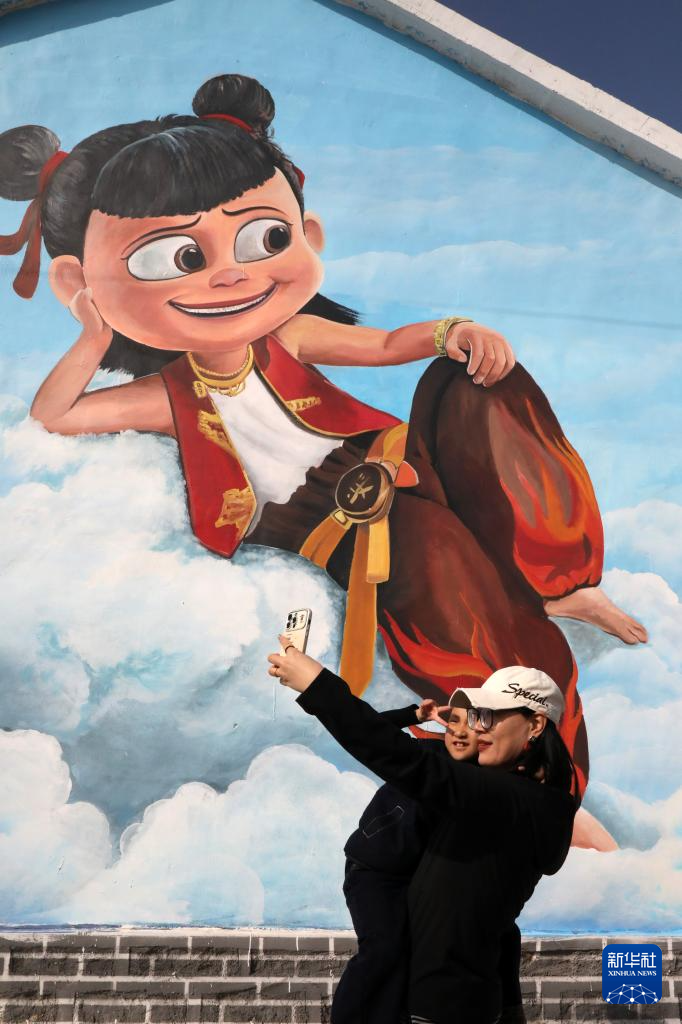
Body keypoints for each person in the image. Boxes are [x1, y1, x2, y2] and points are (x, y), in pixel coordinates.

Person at [0, 73, 645, 806]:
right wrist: (92, 334)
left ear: (307, 237)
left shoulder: (291, 336)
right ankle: (528, 771)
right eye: (175, 257)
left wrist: (452, 332)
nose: (228, 275)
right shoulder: (168, 397)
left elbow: (385, 346)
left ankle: (563, 582)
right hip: (331, 520)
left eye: (264, 238)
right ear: (81, 283)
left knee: (475, 383)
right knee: (434, 550)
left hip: (392, 462)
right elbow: (56, 414)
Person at [268, 642, 579, 1024]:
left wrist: (317, 686)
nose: (479, 728)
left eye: (492, 716)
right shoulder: (519, 798)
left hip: (440, 1008)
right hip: (447, 1000)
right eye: (478, 716)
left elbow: (405, 760)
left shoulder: (519, 801)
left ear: (535, 725)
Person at [335, 696, 526, 1024]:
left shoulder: (484, 781)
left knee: (504, 932)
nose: (460, 731)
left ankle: (509, 1013)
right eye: (454, 721)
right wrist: (412, 715)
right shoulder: (425, 754)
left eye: (472, 724)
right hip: (376, 872)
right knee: (386, 947)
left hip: (426, 879)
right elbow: (371, 730)